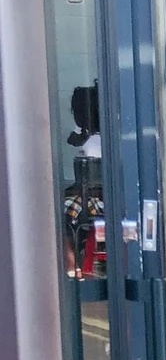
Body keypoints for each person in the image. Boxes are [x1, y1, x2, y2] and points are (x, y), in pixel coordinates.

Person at [63, 84, 102, 275]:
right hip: (92, 196)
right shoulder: (90, 135)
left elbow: (92, 184)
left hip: (95, 199)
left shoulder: (94, 143)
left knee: (60, 214)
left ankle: (71, 265)